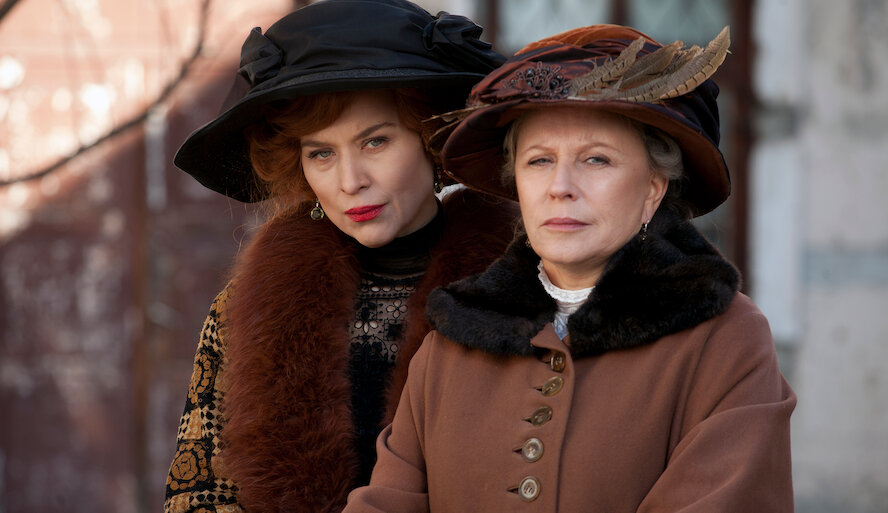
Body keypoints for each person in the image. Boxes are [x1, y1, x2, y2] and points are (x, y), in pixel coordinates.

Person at [344, 24, 796, 512]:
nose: (560, 187)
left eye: (596, 160)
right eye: (539, 161)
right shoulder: (450, 344)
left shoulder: (724, 340)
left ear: (653, 187)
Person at [163, 1, 517, 512]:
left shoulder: (526, 290)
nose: (350, 181)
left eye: (375, 142)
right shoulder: (246, 309)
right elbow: (196, 495)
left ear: (431, 139)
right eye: (321, 153)